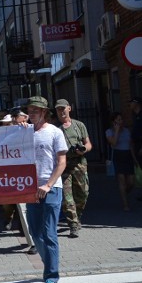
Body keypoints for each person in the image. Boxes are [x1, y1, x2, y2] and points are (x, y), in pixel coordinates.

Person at [24, 96, 68, 283]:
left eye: (35, 110)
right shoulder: (24, 132)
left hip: (51, 188)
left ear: (44, 112)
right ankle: (49, 262)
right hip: (31, 188)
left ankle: (51, 277)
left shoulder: (55, 132)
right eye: (29, 110)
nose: (31, 114)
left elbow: (61, 163)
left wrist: (48, 184)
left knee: (49, 233)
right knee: (35, 233)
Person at [54, 99, 92, 238]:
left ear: (69, 108)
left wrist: (83, 150)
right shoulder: (56, 130)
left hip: (80, 164)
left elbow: (88, 144)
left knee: (83, 194)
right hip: (64, 166)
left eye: (63, 108)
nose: (61, 111)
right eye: (58, 109)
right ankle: (73, 225)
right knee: (67, 197)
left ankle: (78, 215)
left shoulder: (79, 125)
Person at [105, 112, 136, 211]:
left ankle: (124, 193)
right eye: (118, 119)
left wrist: (134, 158)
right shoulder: (109, 132)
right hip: (118, 155)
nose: (120, 121)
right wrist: (117, 131)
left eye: (121, 119)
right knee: (122, 179)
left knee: (131, 181)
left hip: (128, 155)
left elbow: (131, 145)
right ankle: (125, 204)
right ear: (113, 121)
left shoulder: (127, 131)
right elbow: (113, 143)